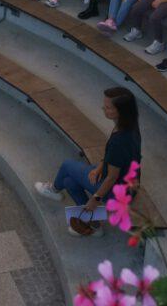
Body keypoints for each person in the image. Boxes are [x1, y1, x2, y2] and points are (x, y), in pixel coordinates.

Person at [35, 87, 141, 238]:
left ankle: (53, 189)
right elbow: (114, 157)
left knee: (67, 165)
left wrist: (94, 200)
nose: (103, 108)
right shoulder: (129, 125)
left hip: (118, 192)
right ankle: (94, 225)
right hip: (128, 185)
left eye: (108, 107)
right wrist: (99, 167)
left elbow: (111, 178)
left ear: (121, 111)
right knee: (69, 181)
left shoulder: (120, 140)